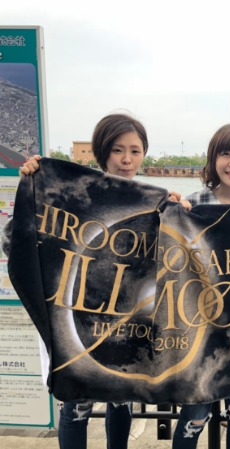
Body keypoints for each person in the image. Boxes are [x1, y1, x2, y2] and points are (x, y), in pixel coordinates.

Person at [18, 112, 184, 449]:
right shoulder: (78, 191)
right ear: (102, 151)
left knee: (121, 395)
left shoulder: (152, 198)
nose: (127, 160)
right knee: (77, 401)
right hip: (81, 307)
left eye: (135, 151)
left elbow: (177, 246)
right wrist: (35, 178)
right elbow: (31, 232)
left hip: (126, 312)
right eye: (118, 150)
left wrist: (180, 208)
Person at [172, 123, 230, 449]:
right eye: (226, 154)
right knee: (194, 414)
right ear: (213, 159)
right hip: (199, 333)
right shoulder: (192, 205)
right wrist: (167, 208)